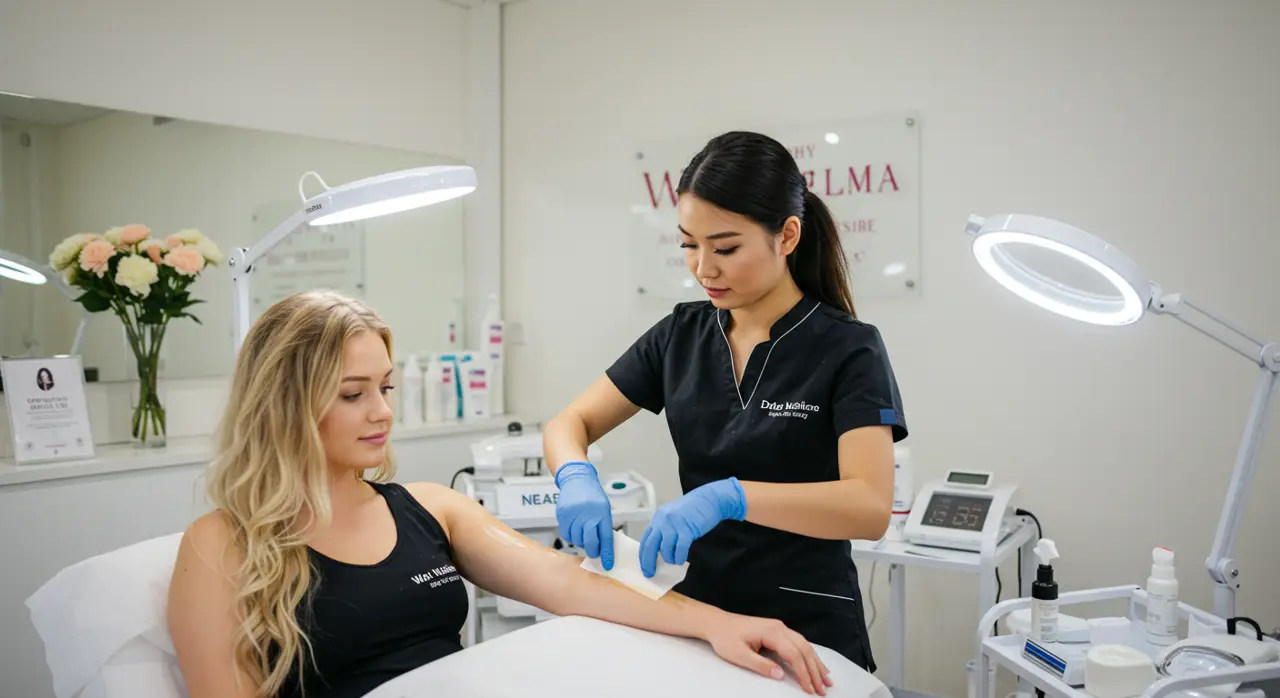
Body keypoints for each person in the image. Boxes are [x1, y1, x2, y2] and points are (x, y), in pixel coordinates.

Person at [167, 290, 834, 698]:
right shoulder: (222, 546)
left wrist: (719, 624)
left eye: (387, 387)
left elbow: (568, 585)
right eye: (353, 394)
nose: (381, 412)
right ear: (285, 403)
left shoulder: (429, 508)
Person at [543, 131, 908, 672]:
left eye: (727, 247)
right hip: (703, 616)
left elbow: (870, 507)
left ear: (787, 236)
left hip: (808, 624)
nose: (703, 268)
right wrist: (575, 475)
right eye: (690, 244)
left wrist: (730, 498)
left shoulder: (848, 347)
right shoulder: (680, 335)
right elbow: (569, 422)